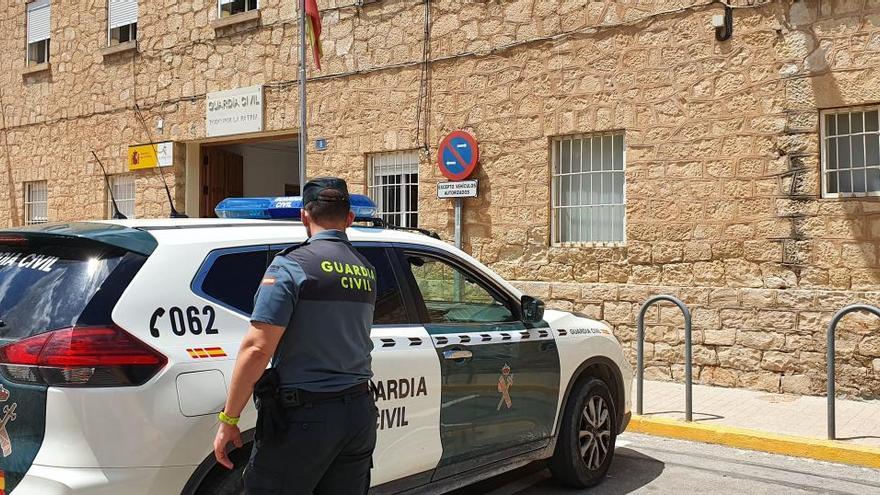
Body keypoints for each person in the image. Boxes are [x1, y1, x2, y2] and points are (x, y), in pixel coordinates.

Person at [213, 177, 378, 495]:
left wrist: (229, 419)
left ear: (305, 216)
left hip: (306, 419)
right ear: (349, 219)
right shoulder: (366, 269)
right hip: (358, 415)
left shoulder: (292, 266)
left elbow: (257, 348)